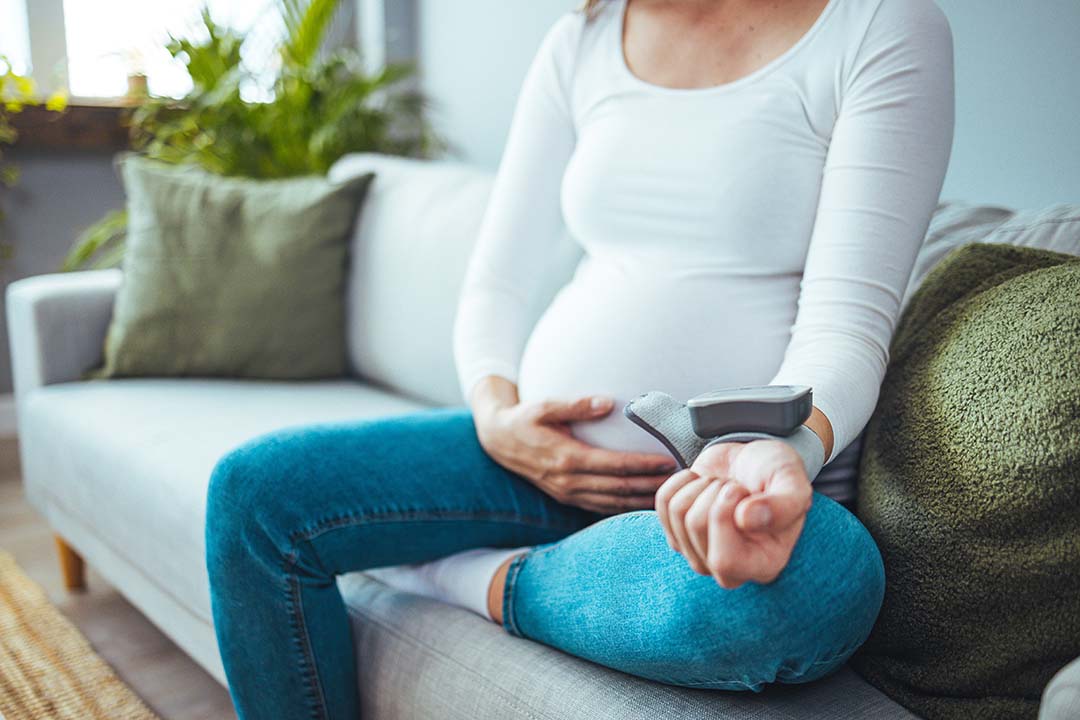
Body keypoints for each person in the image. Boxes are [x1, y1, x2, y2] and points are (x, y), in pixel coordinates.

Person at [204, 0, 955, 717]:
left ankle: (467, 574)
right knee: (254, 497)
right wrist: (498, 417)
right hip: (532, 467)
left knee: (825, 581)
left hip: (724, 500)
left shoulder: (878, 24)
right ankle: (561, 566)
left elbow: (847, 327)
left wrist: (777, 448)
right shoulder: (585, 37)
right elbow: (494, 285)